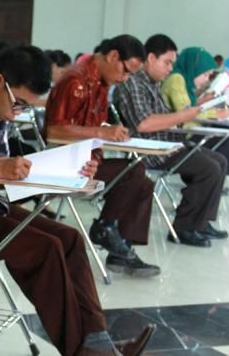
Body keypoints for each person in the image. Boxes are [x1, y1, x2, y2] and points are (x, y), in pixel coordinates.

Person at [0, 45, 155, 356]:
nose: (19, 114)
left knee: (69, 239)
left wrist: (66, 172)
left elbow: (1, 172)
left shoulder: (1, 107)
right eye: (20, 105)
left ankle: (98, 341)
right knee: (45, 248)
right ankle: (82, 354)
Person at [45, 35, 160, 278]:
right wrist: (100, 132)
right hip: (62, 164)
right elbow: (54, 130)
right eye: (125, 71)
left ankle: (119, 246)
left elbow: (90, 126)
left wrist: (110, 133)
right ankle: (106, 229)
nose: (125, 78)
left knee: (143, 181)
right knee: (135, 173)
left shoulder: (101, 83)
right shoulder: (76, 80)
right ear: (113, 57)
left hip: (87, 161)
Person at [114, 34, 228, 248]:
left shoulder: (153, 84)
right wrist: (183, 116)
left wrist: (181, 120)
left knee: (219, 161)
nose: (169, 69)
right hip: (149, 151)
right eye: (166, 62)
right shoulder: (133, 84)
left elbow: (162, 118)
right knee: (209, 168)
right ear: (150, 58)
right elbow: (143, 125)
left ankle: (200, 222)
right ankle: (185, 227)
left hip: (167, 144)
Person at [161, 47, 229, 175]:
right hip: (181, 133)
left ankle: (217, 176)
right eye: (205, 74)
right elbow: (185, 111)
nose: (206, 79)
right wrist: (215, 114)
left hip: (190, 129)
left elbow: (189, 106)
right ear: (194, 69)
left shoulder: (185, 82)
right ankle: (215, 176)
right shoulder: (176, 79)